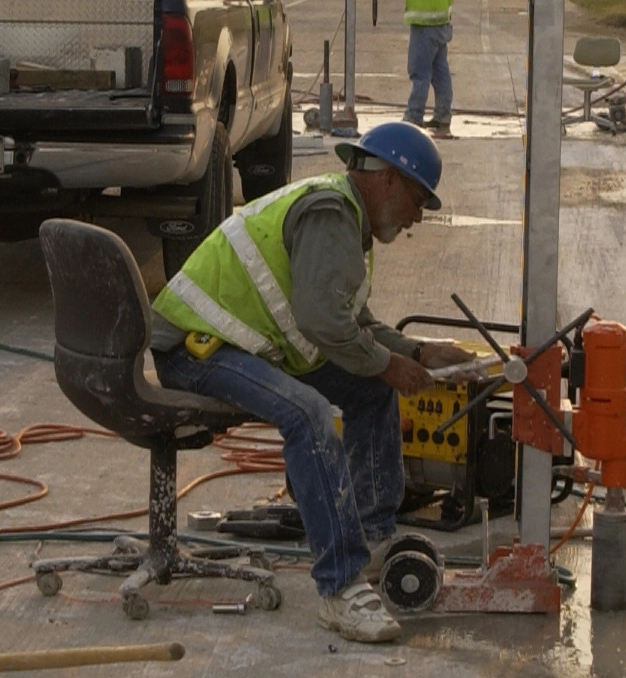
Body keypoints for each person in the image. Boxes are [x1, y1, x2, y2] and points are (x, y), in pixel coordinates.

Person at [149, 121, 484, 643]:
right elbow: (324, 323)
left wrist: (414, 352)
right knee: (306, 414)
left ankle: (370, 539)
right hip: (196, 349)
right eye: (419, 201)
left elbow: (352, 324)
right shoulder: (331, 213)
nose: (418, 218)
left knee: (371, 388)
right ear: (390, 179)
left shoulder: (345, 217)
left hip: (239, 345)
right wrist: (390, 363)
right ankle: (340, 586)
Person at [402, 0, 455, 135]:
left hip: (424, 21)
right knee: (440, 71)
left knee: (420, 73)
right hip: (441, 19)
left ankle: (414, 115)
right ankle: (443, 114)